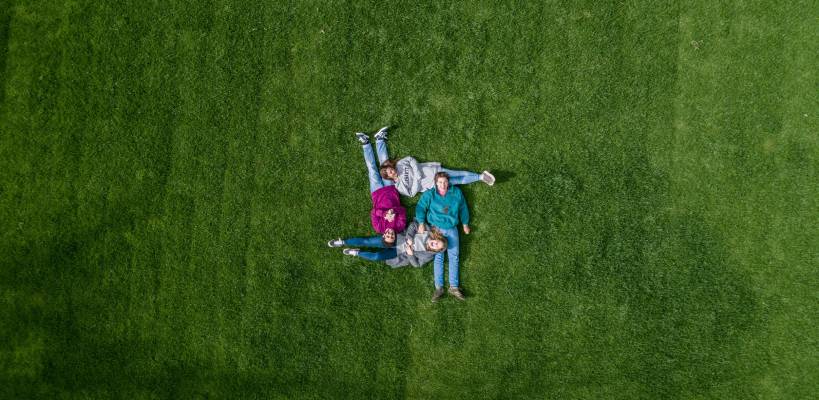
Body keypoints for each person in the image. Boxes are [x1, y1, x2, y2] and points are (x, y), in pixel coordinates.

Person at [362, 127, 495, 197]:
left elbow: (411, 159)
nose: (390, 171)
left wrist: (417, 172)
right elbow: (411, 193)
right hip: (433, 184)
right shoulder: (399, 187)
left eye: (389, 169)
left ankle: (480, 176)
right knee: (458, 181)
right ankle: (480, 178)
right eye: (388, 173)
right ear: (389, 177)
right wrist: (417, 181)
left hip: (433, 171)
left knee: (457, 173)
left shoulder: (400, 164)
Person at [415, 172, 470, 302]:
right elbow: (421, 207)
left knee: (454, 256)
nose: (443, 185)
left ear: (448, 182)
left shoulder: (456, 192)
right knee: (438, 256)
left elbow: (463, 208)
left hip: (452, 228)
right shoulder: (430, 194)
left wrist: (465, 223)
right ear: (435, 183)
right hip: (436, 229)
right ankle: (439, 287)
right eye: (440, 182)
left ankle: (454, 286)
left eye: (445, 182)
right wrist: (421, 222)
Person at [327, 222, 447, 268]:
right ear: (436, 238)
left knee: (377, 257)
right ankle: (343, 242)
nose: (435, 243)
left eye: (436, 245)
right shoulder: (427, 232)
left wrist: (410, 254)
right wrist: (410, 238)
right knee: (368, 241)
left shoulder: (428, 256)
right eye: (437, 241)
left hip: (398, 253)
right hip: (394, 240)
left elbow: (416, 264)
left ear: (435, 250)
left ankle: (357, 252)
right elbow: (413, 225)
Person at [355, 127, 406, 234]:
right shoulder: (400, 226)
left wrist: (384, 214)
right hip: (390, 189)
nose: (389, 234)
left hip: (376, 192)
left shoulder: (379, 228)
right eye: (392, 236)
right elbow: (403, 210)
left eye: (387, 236)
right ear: (395, 236)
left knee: (372, 168)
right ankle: (379, 139)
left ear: (383, 236)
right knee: (385, 165)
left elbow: (373, 212)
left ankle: (365, 143)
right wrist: (393, 211)